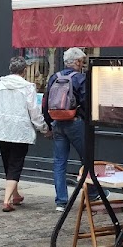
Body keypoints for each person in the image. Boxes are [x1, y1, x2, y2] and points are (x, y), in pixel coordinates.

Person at [0, 57, 49, 212]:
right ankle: (7, 200)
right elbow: (34, 111)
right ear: (24, 71)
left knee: (8, 162)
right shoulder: (27, 87)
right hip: (20, 131)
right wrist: (44, 128)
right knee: (16, 163)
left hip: (2, 129)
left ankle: (15, 194)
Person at [43, 48, 87, 212]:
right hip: (75, 122)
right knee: (87, 159)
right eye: (82, 62)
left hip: (57, 122)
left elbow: (46, 102)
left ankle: (61, 202)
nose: (82, 65)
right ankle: (94, 193)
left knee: (59, 162)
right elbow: (86, 102)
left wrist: (48, 124)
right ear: (76, 62)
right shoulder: (80, 79)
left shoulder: (55, 77)